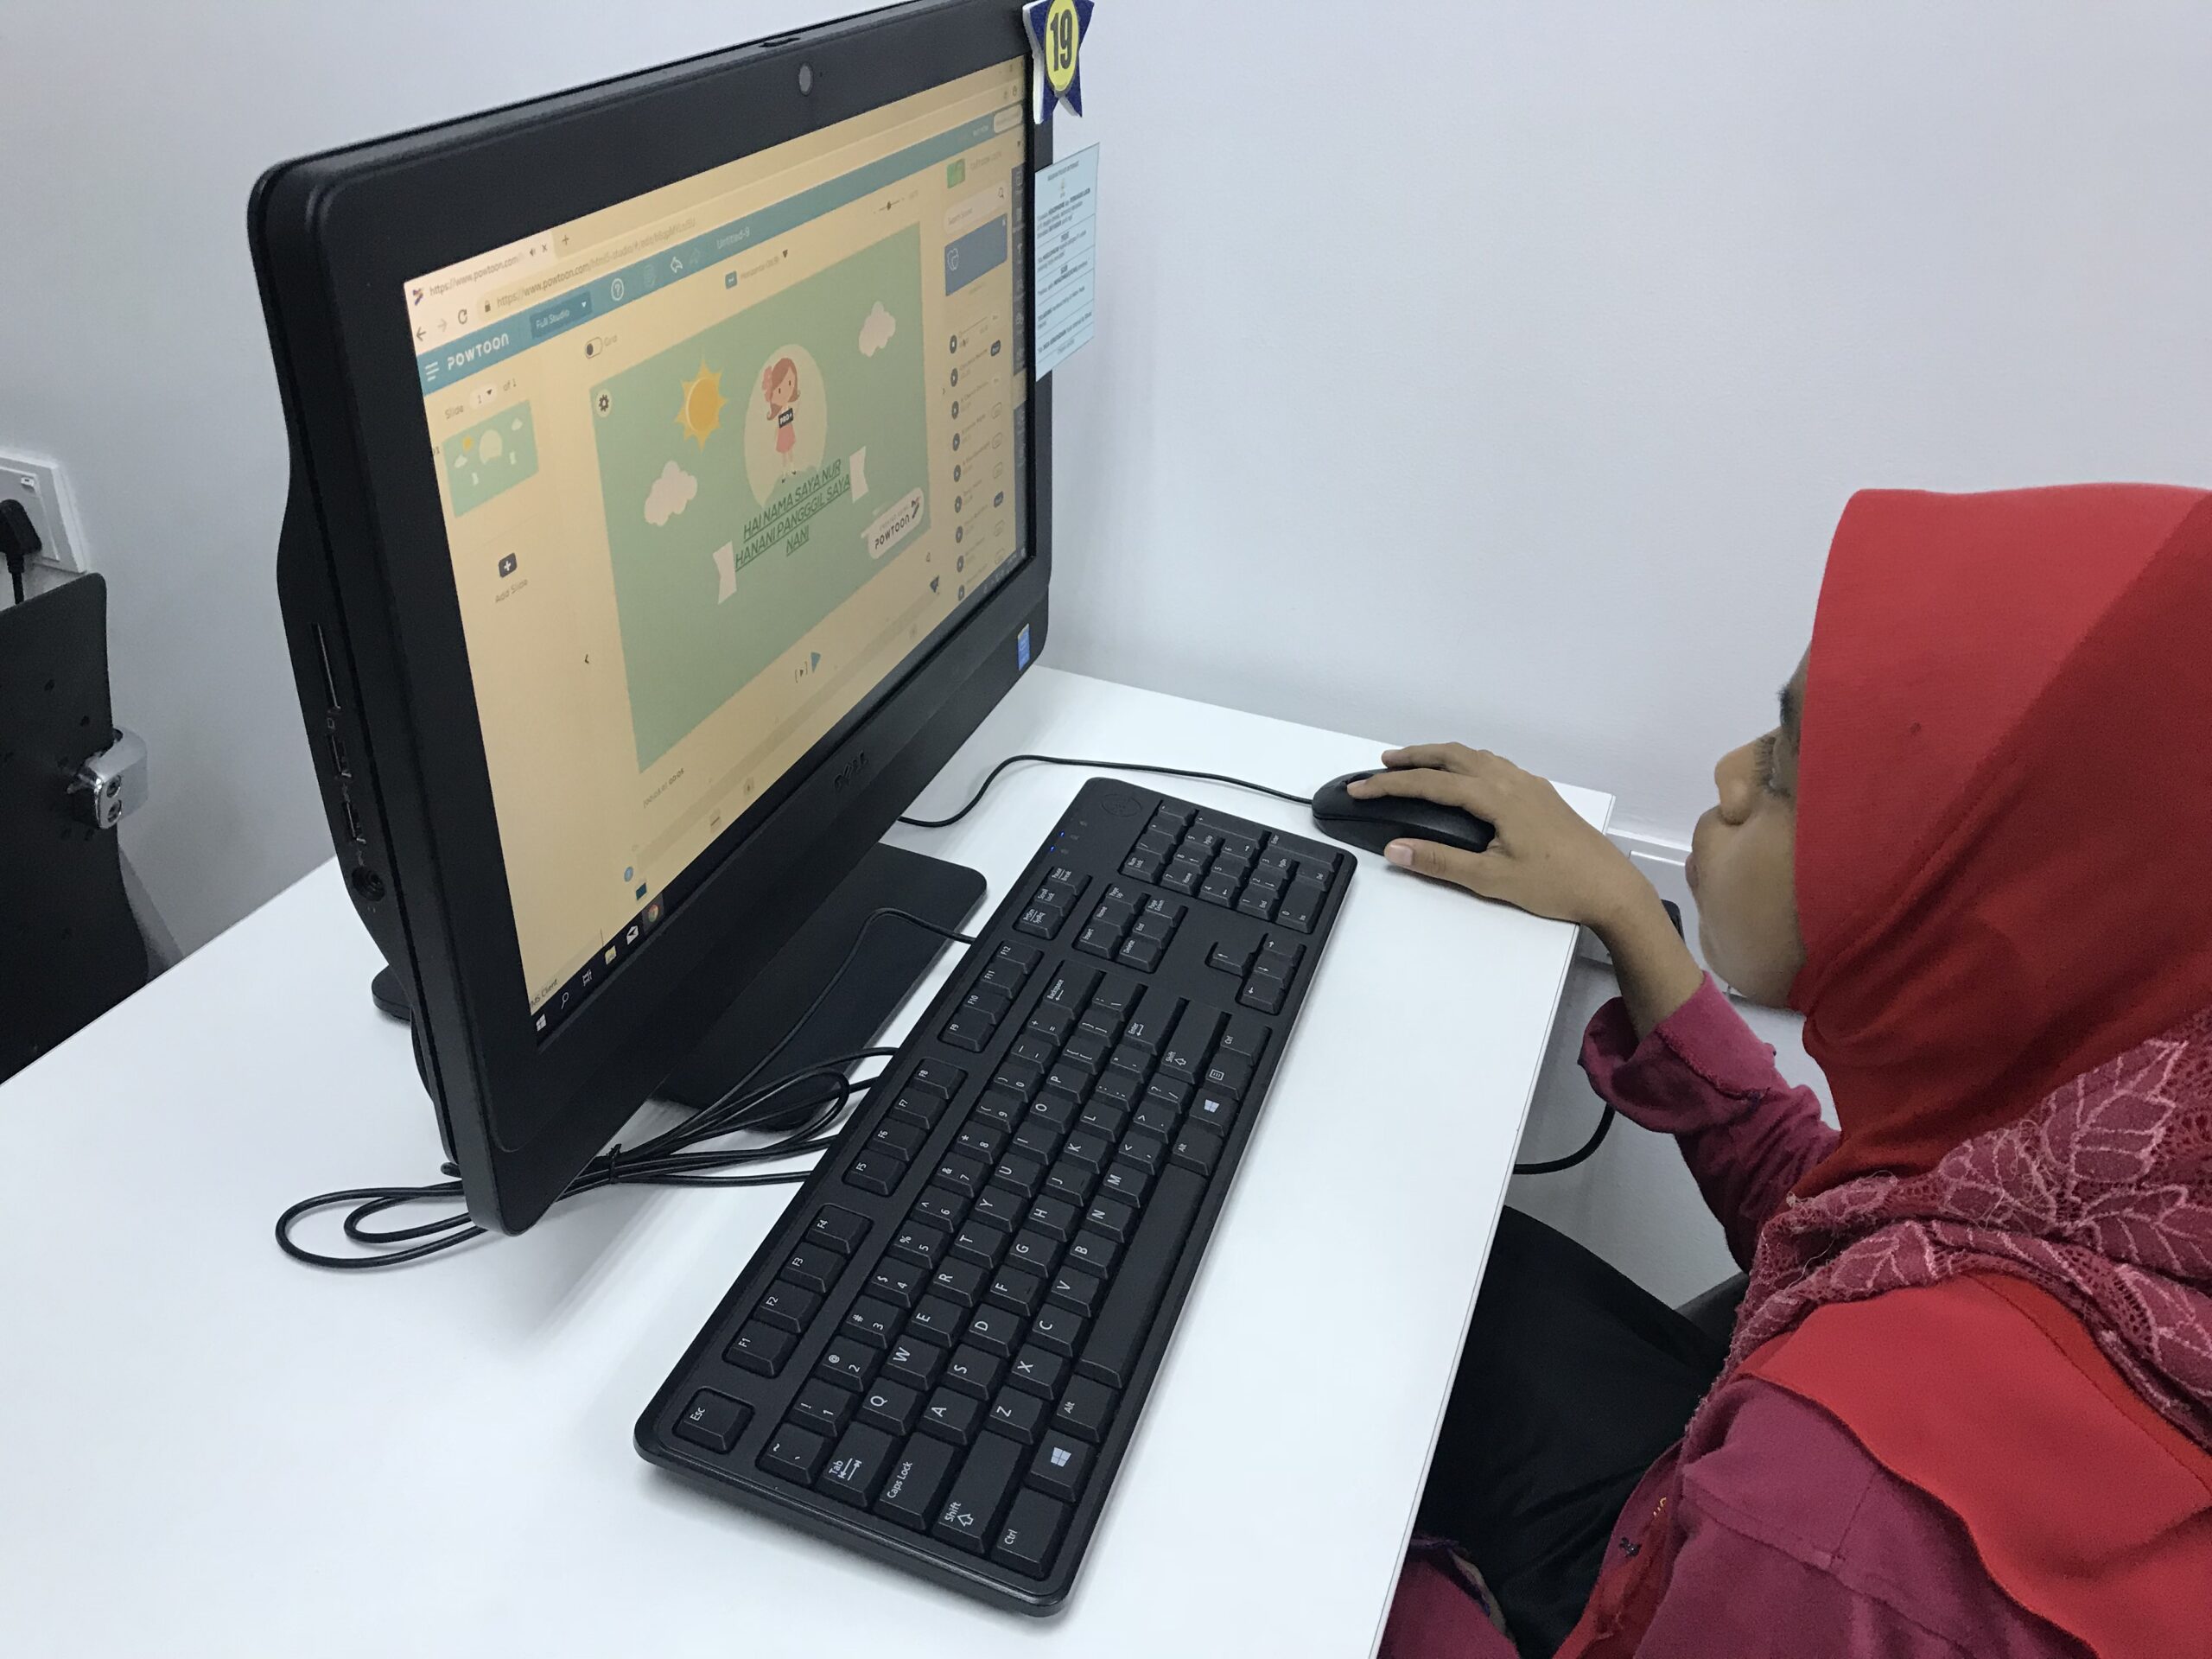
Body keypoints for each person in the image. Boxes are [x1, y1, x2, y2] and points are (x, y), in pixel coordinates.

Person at [1370, 486, 2212, 1657]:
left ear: (1974, 908)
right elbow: (1860, 1214)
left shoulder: (1843, 1523)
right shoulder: (2121, 1152)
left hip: (1715, 1574)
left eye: (1781, 771)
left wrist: (1360, 1574)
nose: (1726, 777)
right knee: (1441, 1269)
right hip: (1703, 1516)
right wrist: (1631, 918)